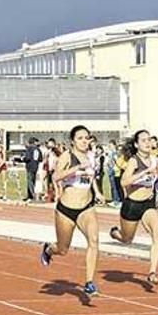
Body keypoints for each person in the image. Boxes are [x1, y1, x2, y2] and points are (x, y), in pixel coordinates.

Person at [40, 125, 104, 297]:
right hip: (66, 209)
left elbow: (91, 177)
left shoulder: (91, 156)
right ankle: (48, 250)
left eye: (86, 138)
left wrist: (97, 192)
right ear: (73, 141)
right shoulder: (67, 156)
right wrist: (76, 168)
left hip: (86, 207)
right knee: (62, 249)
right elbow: (56, 177)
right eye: (80, 138)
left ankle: (89, 282)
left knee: (94, 240)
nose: (84, 141)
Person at [109, 130, 158, 286]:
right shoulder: (133, 161)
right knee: (127, 240)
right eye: (144, 140)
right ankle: (115, 233)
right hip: (132, 205)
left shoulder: (154, 159)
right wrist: (143, 173)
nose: (147, 143)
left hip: (148, 204)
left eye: (149, 140)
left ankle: (152, 272)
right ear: (136, 144)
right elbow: (124, 182)